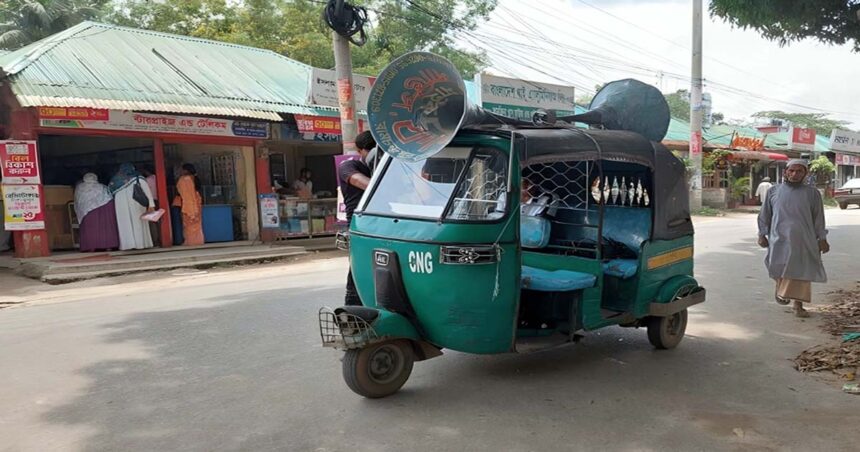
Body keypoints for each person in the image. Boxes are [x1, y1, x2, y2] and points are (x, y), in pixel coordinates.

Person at [757, 159, 829, 318]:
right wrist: (762, 234)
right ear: (785, 172)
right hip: (778, 238)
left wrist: (822, 238)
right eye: (792, 171)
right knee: (779, 267)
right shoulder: (773, 191)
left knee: (801, 272)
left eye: (799, 171)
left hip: (803, 239)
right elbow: (764, 215)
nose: (795, 174)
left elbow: (819, 218)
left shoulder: (812, 194)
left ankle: (798, 305)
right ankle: (781, 289)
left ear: (805, 174)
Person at [339, 131, 374, 306]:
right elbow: (365, 184)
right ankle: (352, 314)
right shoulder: (348, 166)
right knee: (358, 270)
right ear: (360, 151)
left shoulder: (385, 167)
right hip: (359, 225)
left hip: (384, 224)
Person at [110, 163, 155, 251]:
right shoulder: (138, 178)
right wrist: (151, 205)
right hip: (137, 204)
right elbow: (147, 191)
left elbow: (110, 193)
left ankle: (127, 245)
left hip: (121, 207)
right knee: (139, 223)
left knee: (125, 225)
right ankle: (141, 244)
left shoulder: (115, 181)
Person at [74, 173, 120, 252]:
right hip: (102, 210)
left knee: (90, 229)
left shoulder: (79, 188)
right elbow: (109, 198)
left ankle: (90, 246)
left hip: (86, 213)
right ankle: (106, 244)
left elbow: (78, 201)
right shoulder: (101, 187)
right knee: (102, 228)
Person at [173, 163, 205, 246]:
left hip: (188, 206)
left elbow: (185, 195)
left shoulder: (184, 180)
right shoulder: (193, 178)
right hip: (197, 206)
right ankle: (199, 241)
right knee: (197, 226)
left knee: (189, 226)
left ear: (185, 170)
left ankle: (191, 242)